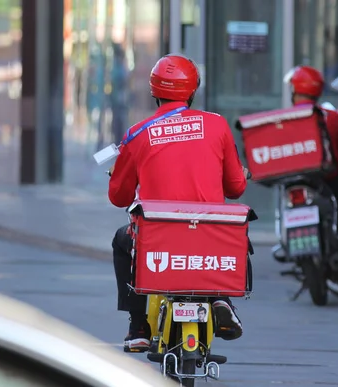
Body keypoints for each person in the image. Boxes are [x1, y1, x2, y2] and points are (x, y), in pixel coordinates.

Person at [108, 53, 249, 353]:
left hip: (157, 237)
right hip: (210, 235)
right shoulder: (217, 125)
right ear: (193, 90)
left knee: (122, 242)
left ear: (154, 92)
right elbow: (236, 188)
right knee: (223, 242)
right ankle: (220, 298)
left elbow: (118, 197)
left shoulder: (137, 133)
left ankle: (138, 327)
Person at [283, 65, 338, 257]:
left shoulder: (283, 118)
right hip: (327, 178)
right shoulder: (333, 117)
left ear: (295, 90)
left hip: (294, 178)